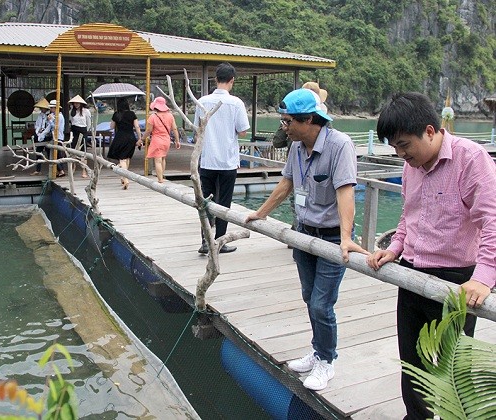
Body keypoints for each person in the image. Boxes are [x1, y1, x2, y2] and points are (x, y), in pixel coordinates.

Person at [366, 92, 496, 419]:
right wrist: (394, 248)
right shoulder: (412, 165)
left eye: (404, 144)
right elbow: (409, 216)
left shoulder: (471, 158)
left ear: (429, 131)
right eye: (394, 146)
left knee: (452, 369)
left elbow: (491, 220)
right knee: (411, 364)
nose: (400, 154)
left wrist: (483, 278)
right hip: (411, 275)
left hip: (454, 282)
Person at [245, 88, 368, 391]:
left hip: (328, 239)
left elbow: (345, 191)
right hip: (303, 234)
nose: (283, 128)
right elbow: (286, 184)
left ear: (309, 119)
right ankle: (317, 351)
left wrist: (346, 237)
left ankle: (327, 361)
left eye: (288, 122)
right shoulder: (296, 147)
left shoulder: (340, 145)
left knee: (321, 304)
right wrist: (259, 214)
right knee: (309, 298)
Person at [194, 62, 250, 254]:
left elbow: (197, 130)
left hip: (207, 159)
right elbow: (243, 131)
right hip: (227, 161)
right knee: (224, 202)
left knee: (205, 202)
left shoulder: (203, 101)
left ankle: (205, 240)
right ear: (232, 80)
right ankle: (219, 241)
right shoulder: (236, 103)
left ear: (215, 79)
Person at [107, 97, 143, 189]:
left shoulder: (116, 114)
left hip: (120, 137)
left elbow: (111, 126)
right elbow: (137, 127)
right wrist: (139, 139)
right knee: (126, 158)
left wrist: (116, 118)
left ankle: (125, 179)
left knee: (122, 159)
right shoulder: (132, 114)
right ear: (127, 105)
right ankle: (122, 178)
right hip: (131, 137)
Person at [143, 96, 180, 183]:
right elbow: (174, 129)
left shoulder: (152, 117)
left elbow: (149, 130)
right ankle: (161, 176)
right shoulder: (170, 116)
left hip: (157, 140)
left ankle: (160, 180)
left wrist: (143, 138)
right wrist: (177, 140)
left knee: (157, 160)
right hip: (167, 140)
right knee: (163, 158)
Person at [68, 95, 92, 178]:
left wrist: (86, 131)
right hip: (74, 131)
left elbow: (88, 123)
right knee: (73, 150)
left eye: (78, 103)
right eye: (75, 103)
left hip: (83, 131)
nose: (76, 104)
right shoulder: (72, 111)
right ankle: (73, 168)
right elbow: (71, 121)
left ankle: (84, 170)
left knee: (83, 151)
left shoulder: (86, 111)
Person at [46, 99, 66, 177]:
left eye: (52, 108)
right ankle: (59, 170)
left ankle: (61, 170)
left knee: (57, 155)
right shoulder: (55, 116)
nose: (51, 109)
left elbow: (55, 127)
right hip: (55, 136)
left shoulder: (59, 116)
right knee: (57, 154)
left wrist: (50, 121)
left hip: (58, 137)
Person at [32, 98, 50, 175]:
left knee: (49, 153)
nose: (42, 109)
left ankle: (54, 170)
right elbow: (37, 125)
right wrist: (38, 130)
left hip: (47, 136)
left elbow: (49, 126)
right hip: (40, 135)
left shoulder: (49, 115)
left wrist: (43, 131)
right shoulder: (40, 115)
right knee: (38, 152)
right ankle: (38, 170)